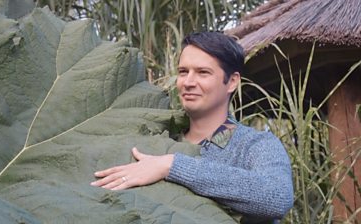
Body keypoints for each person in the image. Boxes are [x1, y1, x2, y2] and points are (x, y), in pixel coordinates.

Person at [91, 31, 294, 222]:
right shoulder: (159, 139)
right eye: (183, 71)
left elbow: (277, 197)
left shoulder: (254, 145)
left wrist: (172, 166)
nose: (188, 82)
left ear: (232, 82)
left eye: (202, 72)